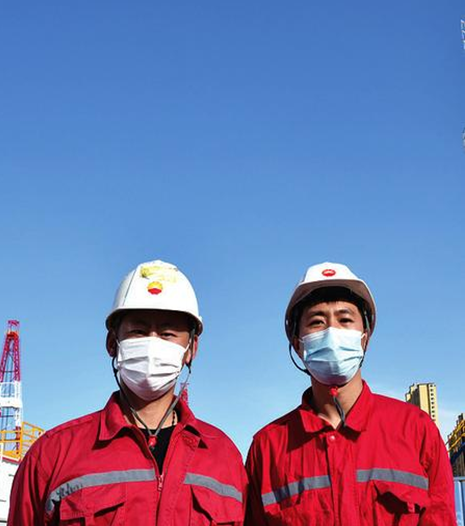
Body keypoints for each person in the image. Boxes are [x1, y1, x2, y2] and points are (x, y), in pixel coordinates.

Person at [9, 259, 247, 526]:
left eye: (168, 333)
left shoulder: (224, 457)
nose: (152, 344)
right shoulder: (52, 454)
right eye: (138, 331)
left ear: (191, 349)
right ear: (113, 343)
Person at [245, 262, 456, 525]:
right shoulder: (267, 448)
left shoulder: (416, 430)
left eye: (345, 320)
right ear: (298, 344)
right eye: (317, 321)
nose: (332, 332)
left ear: (365, 338)